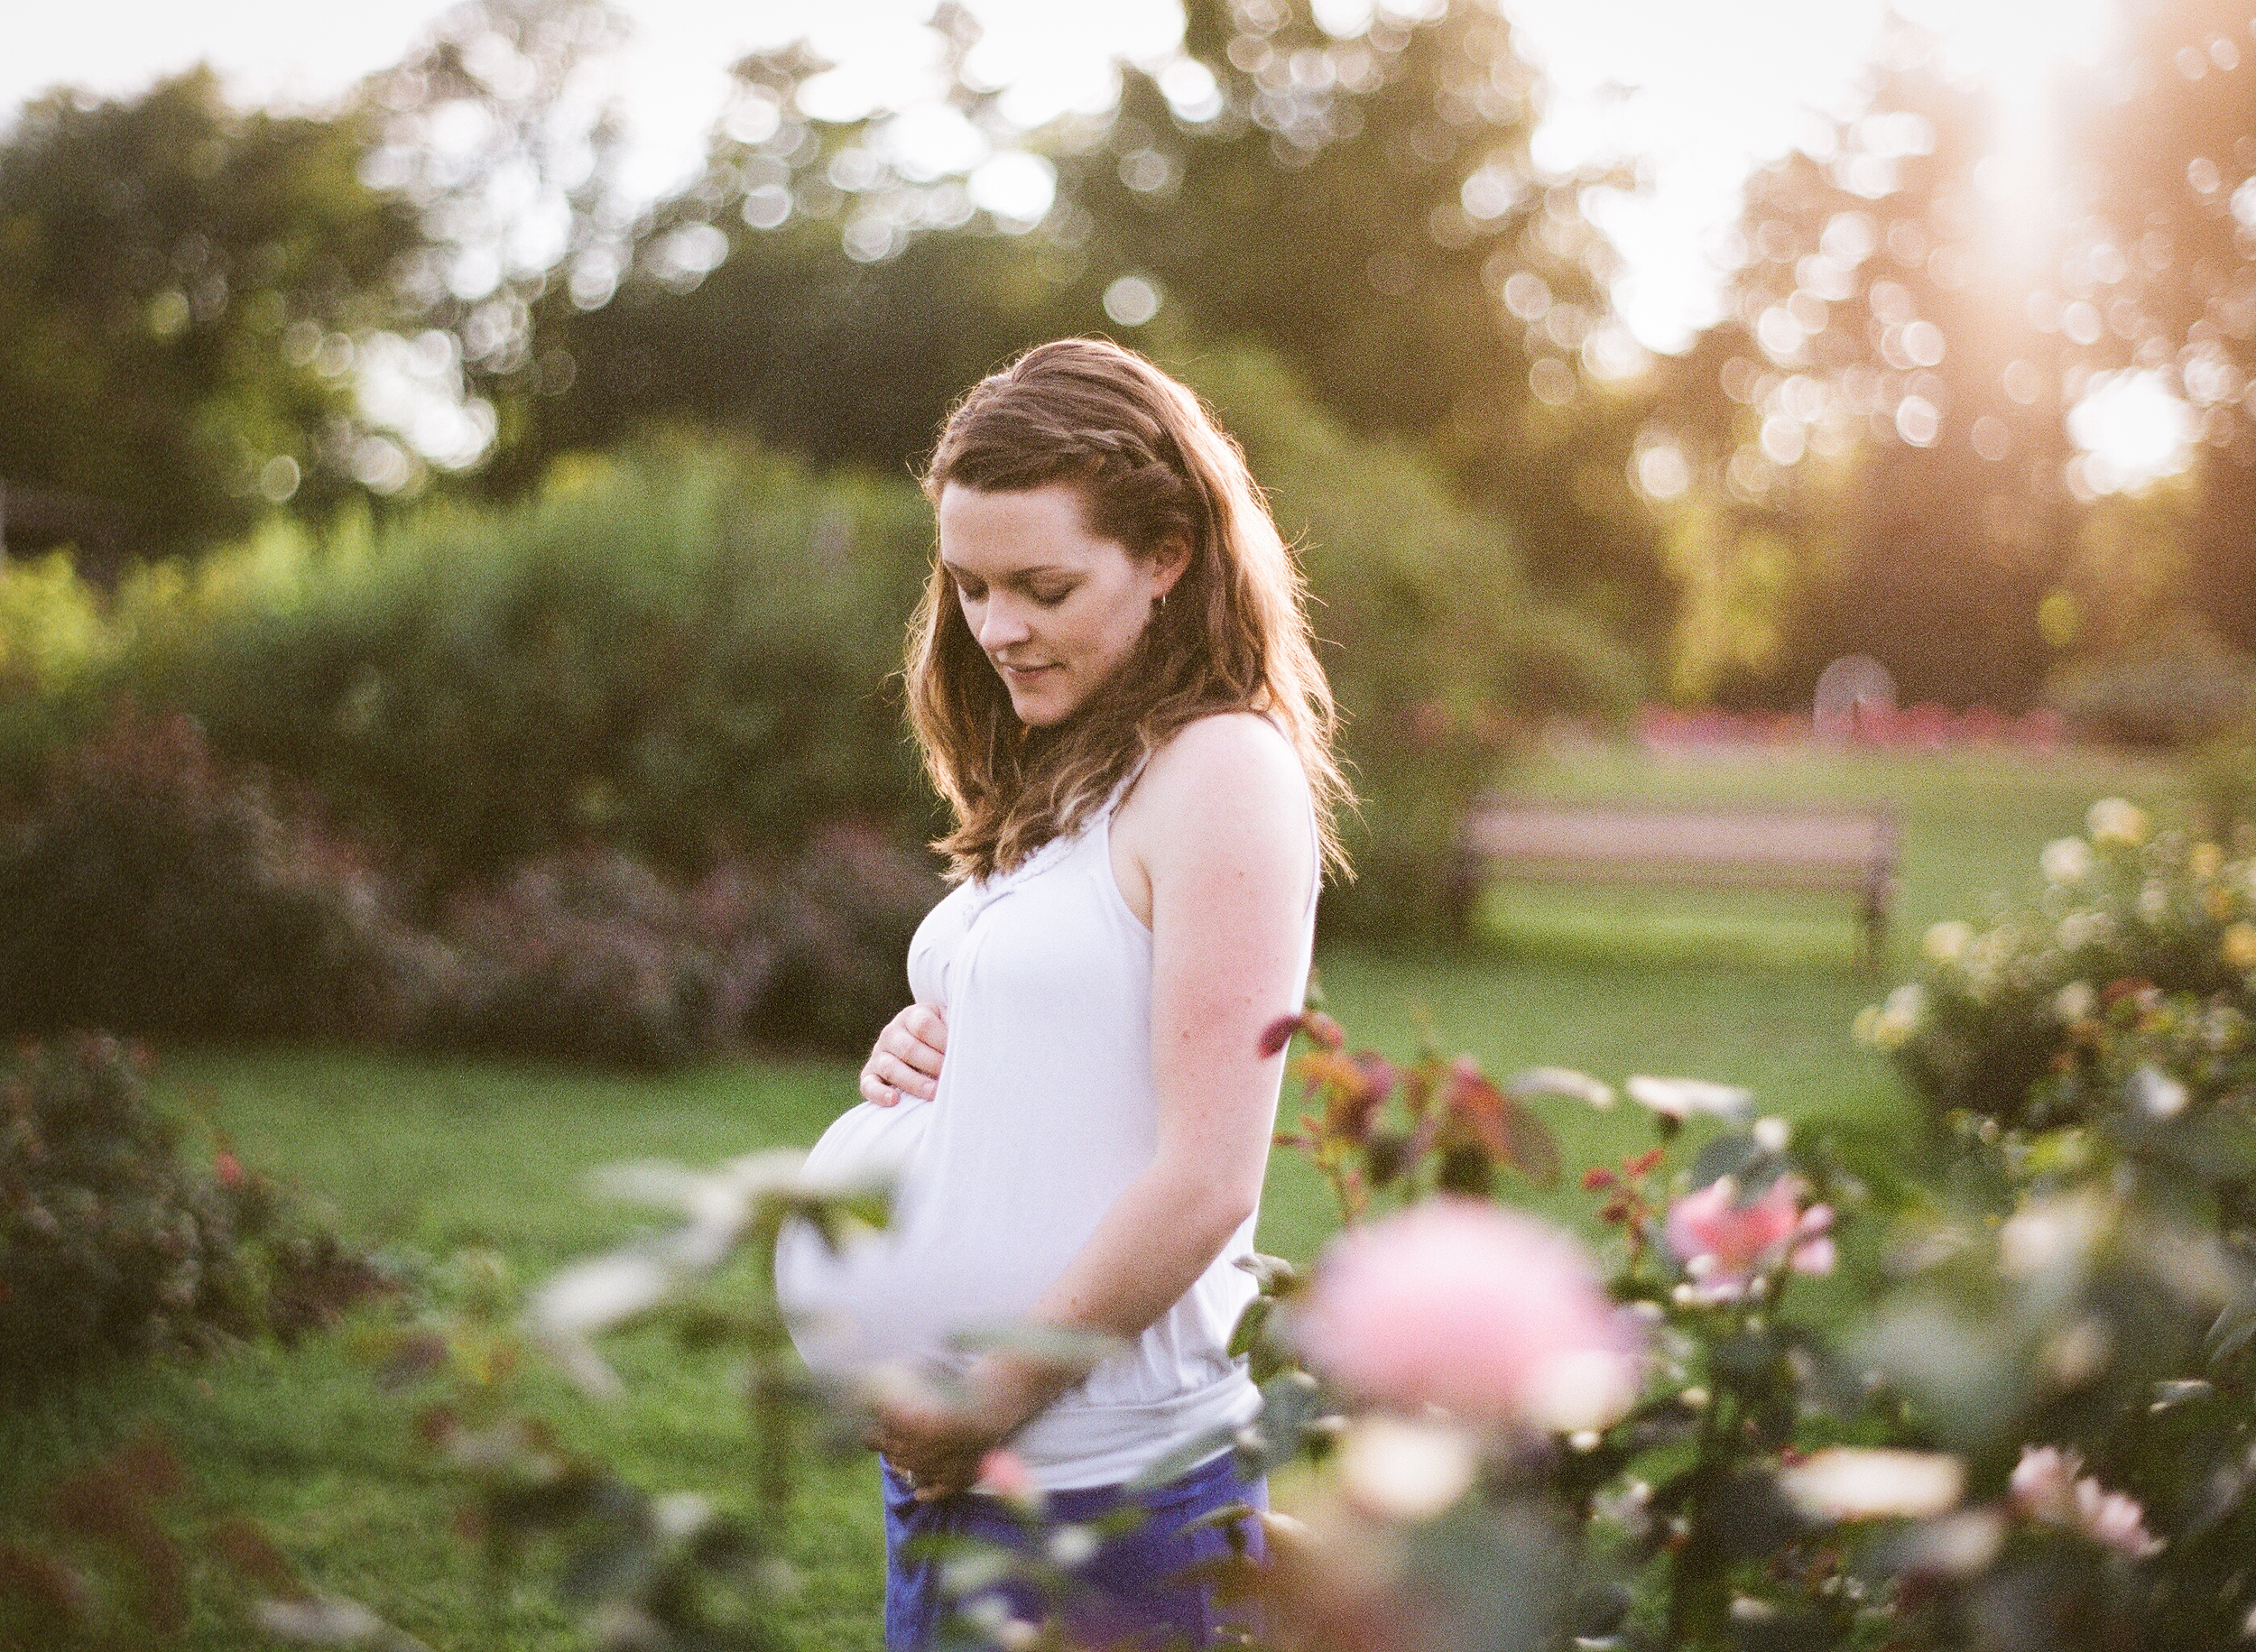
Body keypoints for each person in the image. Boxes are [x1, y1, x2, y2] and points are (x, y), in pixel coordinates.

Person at [773, 337, 1349, 1650]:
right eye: (969, 587)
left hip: (1084, 1480)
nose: (997, 629)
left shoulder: (1220, 774)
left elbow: (1209, 1178)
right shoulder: (1077, 768)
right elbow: (1079, 1043)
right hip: (982, 1469)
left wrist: (984, 1399)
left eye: (1042, 585)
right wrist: (932, 1053)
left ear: (1166, 555)